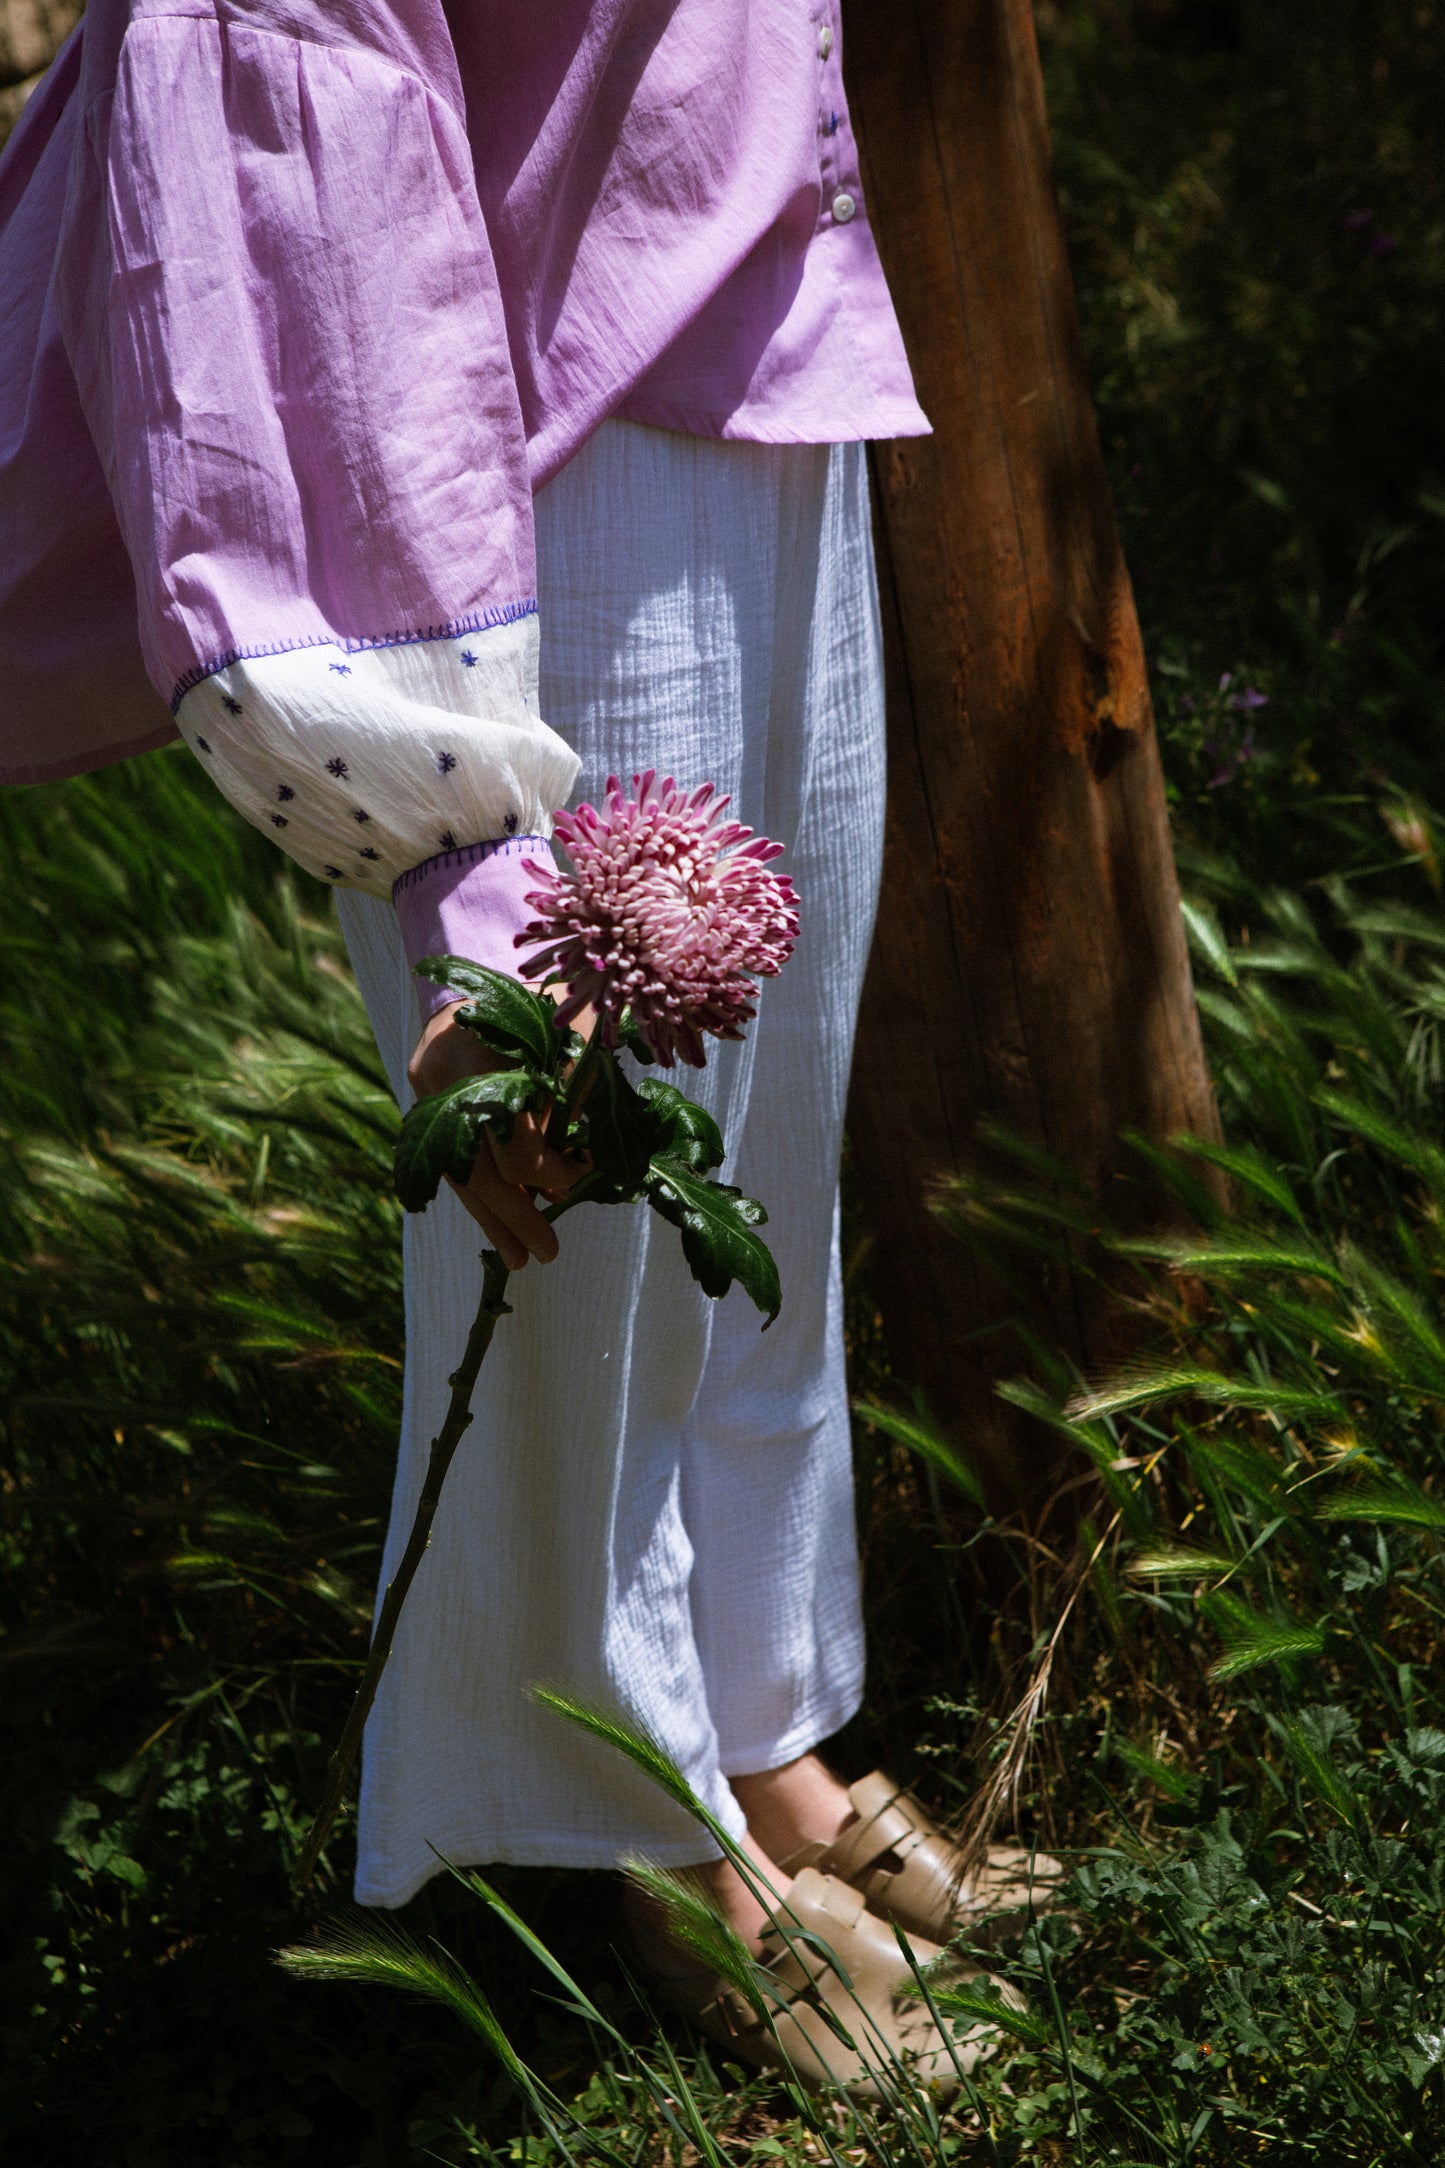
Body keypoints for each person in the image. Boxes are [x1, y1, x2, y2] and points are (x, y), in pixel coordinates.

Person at [0, 0, 1044, 2092]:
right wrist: (456, 860)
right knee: (594, 1180)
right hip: (509, 388)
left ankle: (763, 1732)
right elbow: (284, 114)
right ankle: (644, 1831)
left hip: (755, 281)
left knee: (770, 1129)